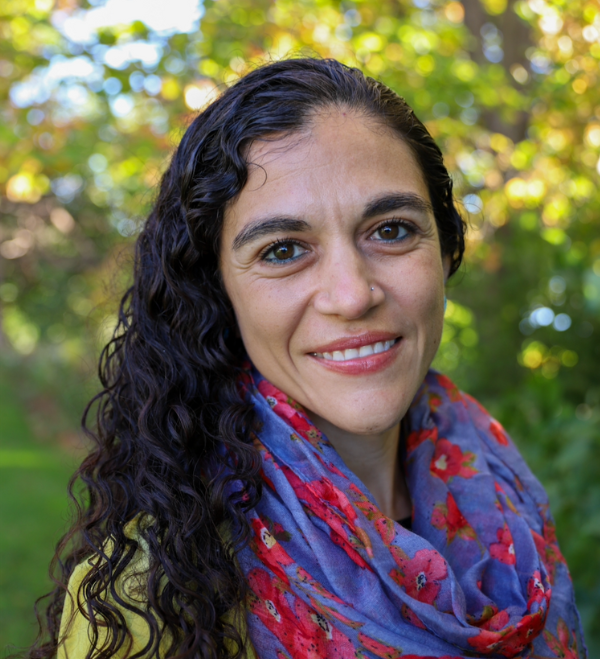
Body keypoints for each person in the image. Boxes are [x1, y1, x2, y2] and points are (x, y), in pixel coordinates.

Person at [32, 58, 585, 659]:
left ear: (445, 248)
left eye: (392, 230)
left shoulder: (507, 501)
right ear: (216, 290)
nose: (351, 295)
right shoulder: (149, 595)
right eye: (284, 249)